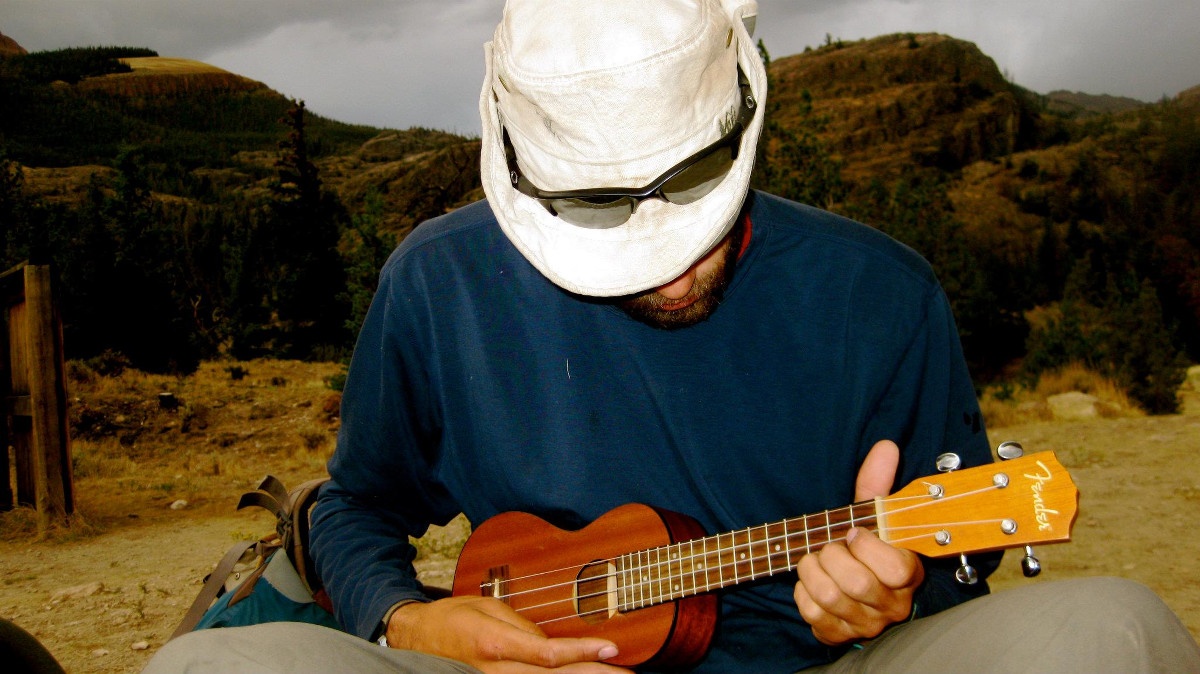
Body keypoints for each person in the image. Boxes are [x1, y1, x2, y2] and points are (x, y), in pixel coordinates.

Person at [145, 1, 1200, 672]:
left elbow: (953, 564)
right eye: (609, 221)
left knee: (1116, 630)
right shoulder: (437, 280)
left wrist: (891, 591)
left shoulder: (881, 294)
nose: (667, 260)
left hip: (814, 668)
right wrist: (404, 619)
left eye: (690, 205)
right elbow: (357, 503)